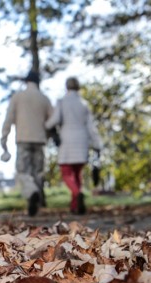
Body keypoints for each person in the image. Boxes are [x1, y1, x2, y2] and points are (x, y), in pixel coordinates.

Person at [45, 77, 102, 214]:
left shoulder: (62, 102)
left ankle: (77, 193)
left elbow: (54, 120)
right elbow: (91, 127)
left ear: (67, 87)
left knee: (66, 172)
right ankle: (74, 206)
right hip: (82, 141)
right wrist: (97, 144)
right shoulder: (84, 104)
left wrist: (46, 126)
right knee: (77, 174)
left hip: (67, 140)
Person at [0, 70, 53, 216]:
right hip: (40, 140)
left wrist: (4, 140)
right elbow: (53, 120)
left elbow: (8, 119)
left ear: (26, 82)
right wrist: (48, 131)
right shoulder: (44, 99)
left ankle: (32, 192)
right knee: (37, 172)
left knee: (23, 172)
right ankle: (35, 201)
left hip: (23, 139)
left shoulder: (18, 97)